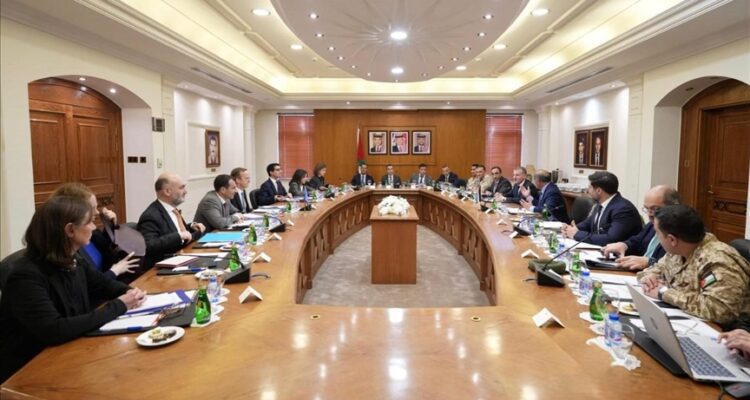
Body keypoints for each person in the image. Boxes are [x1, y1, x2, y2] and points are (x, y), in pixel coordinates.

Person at [0, 196, 147, 382]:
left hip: (71, 351)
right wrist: (120, 305)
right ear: (70, 230)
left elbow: (103, 284)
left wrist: (128, 292)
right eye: (89, 222)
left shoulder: (73, 258)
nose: (93, 227)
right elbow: (55, 329)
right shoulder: (25, 276)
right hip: (30, 371)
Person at [637, 205, 750, 326]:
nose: (657, 237)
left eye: (657, 233)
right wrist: (649, 278)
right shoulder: (678, 250)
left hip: (722, 330)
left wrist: (664, 293)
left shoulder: (719, 261)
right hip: (685, 319)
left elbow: (720, 311)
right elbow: (656, 269)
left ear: (672, 239)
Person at [50, 183, 139, 281]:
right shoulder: (68, 249)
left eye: (97, 207)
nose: (97, 212)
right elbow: (89, 284)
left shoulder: (90, 231)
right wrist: (114, 271)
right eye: (92, 208)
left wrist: (111, 225)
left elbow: (107, 247)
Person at [602, 185, 680, 270]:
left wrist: (650, 262)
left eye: (655, 209)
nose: (649, 214)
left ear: (674, 206)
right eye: (647, 209)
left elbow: (677, 266)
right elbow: (637, 241)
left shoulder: (681, 231)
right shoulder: (651, 225)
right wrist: (624, 245)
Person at [137, 173, 206, 269]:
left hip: (183, 258)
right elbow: (148, 246)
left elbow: (174, 230)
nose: (186, 191)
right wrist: (179, 236)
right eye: (181, 188)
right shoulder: (151, 215)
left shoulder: (173, 210)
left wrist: (191, 227)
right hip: (163, 267)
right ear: (167, 191)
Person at [561, 171, 641, 246]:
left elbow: (611, 239)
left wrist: (576, 234)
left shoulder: (623, 209)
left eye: (590, 187)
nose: (587, 191)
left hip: (618, 255)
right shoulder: (601, 203)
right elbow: (589, 223)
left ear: (599, 191)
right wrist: (570, 229)